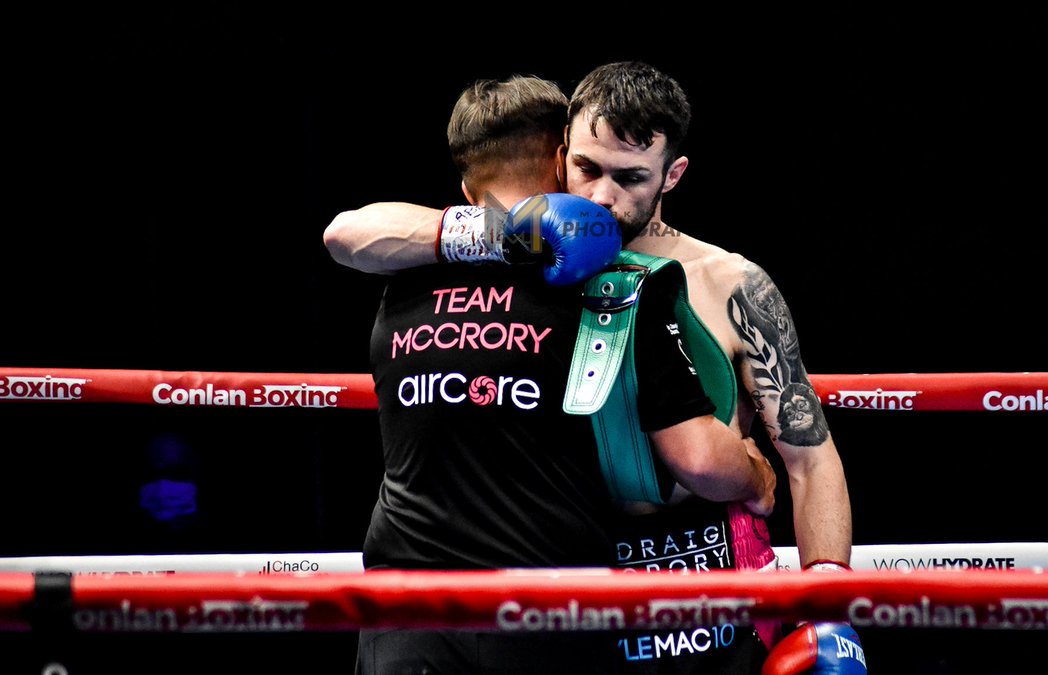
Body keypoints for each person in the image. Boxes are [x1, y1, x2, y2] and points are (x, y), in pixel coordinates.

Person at [326, 64, 864, 674]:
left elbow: (810, 455)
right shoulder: (528, 261)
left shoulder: (730, 283)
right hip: (576, 575)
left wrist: (829, 609)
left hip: (710, 577)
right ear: (561, 159)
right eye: (587, 169)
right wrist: (512, 232)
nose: (603, 196)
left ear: (672, 174)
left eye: (630, 177)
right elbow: (349, 233)